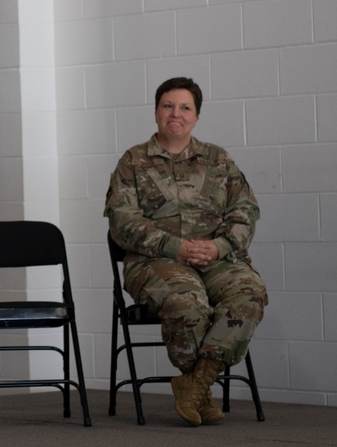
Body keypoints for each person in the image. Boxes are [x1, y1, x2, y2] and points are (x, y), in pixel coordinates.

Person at [104, 76, 267, 427]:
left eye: (184, 107)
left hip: (216, 258)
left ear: (196, 116)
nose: (175, 113)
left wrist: (219, 246)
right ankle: (201, 390)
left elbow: (245, 210)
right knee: (188, 303)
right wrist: (175, 247)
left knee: (250, 293)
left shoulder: (218, 160)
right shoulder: (133, 162)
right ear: (156, 112)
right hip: (155, 262)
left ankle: (195, 384)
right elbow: (122, 221)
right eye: (167, 106)